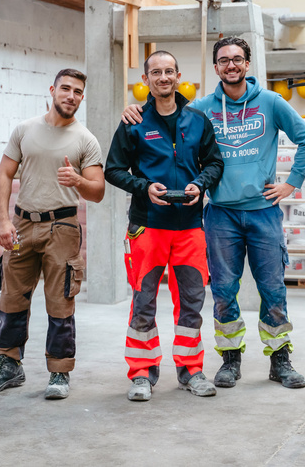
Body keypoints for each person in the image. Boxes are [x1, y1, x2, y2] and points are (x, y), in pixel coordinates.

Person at [122, 36, 305, 389]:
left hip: (264, 212)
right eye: (224, 60)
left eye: (237, 59)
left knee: (272, 289)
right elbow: (168, 115)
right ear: (216, 68)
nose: (231, 65)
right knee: (224, 290)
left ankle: (280, 359)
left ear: (247, 64)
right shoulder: (202, 109)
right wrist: (134, 110)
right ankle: (230, 359)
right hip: (220, 215)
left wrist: (291, 183)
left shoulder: (271, 102)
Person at [0, 68, 105, 400]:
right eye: (65, 89)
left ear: (82, 97)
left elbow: (98, 191)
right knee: (11, 297)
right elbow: (4, 174)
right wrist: (3, 222)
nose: (70, 96)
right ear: (52, 90)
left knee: (60, 299)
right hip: (22, 224)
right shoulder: (25, 130)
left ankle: (59, 371)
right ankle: (8, 366)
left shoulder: (85, 139)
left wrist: (77, 181)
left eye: (77, 91)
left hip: (62, 227)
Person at [106, 51, 224, 401]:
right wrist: (145, 187)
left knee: (190, 301)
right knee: (143, 301)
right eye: (155, 72)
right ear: (146, 80)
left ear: (178, 76)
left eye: (168, 71)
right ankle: (142, 374)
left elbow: (215, 163)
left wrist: (199, 184)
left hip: (190, 227)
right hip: (148, 227)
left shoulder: (198, 121)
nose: (162, 77)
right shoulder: (133, 123)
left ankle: (191, 371)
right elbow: (113, 169)